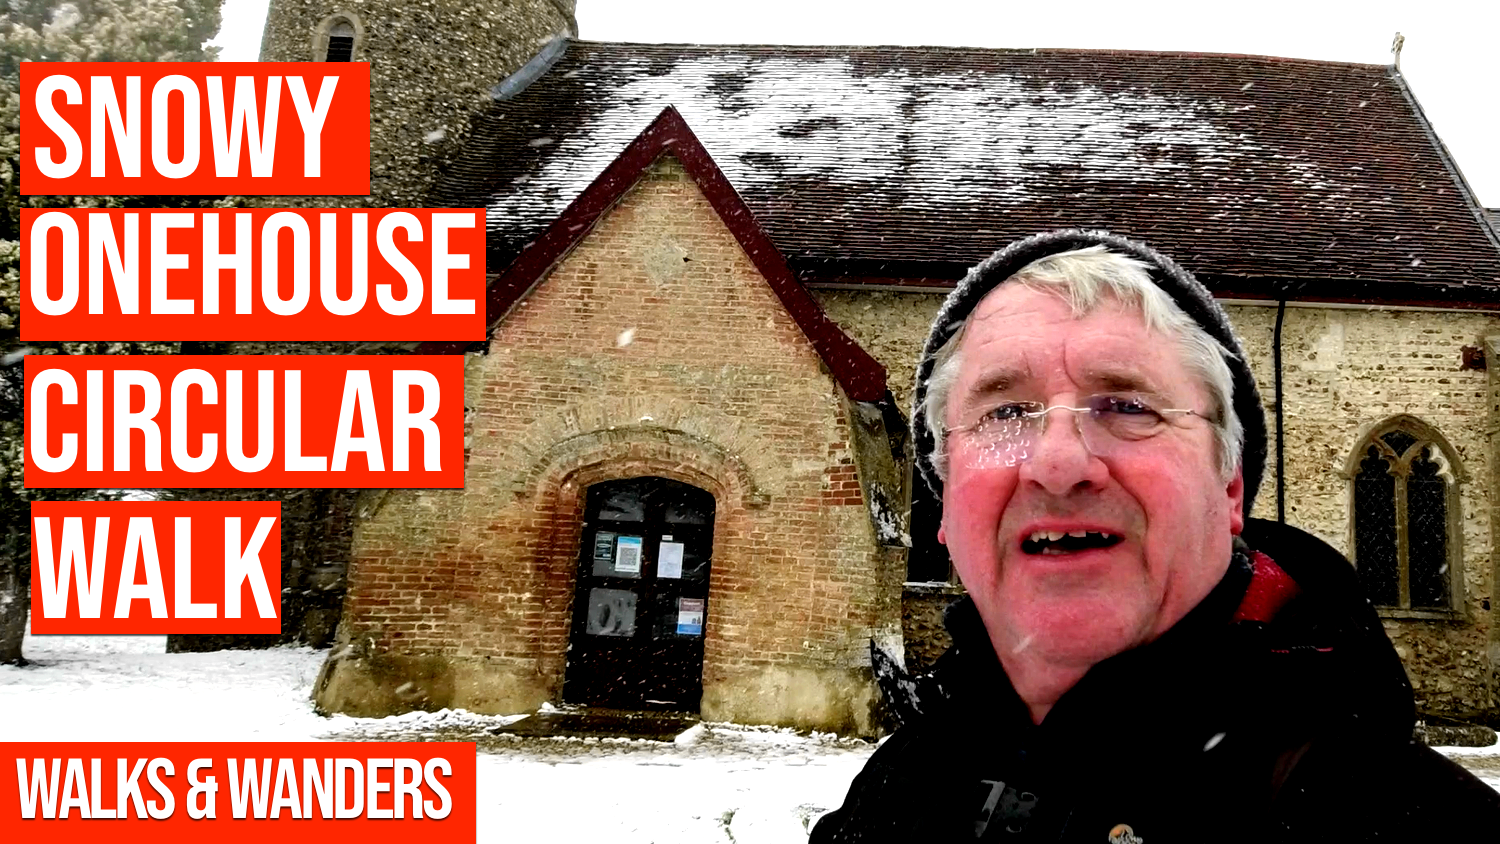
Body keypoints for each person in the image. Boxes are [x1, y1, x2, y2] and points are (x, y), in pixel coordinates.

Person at [811, 230, 1500, 843]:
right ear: (945, 503)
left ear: (1228, 489)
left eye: (1127, 406)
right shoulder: (902, 784)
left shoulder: (1408, 820)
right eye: (1007, 412)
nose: (1058, 464)